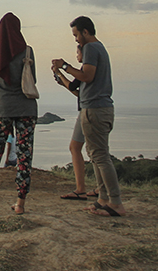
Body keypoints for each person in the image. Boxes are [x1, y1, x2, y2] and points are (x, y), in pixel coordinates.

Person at [52, 16, 126, 217]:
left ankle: (116, 203)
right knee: (96, 155)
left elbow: (87, 76)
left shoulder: (91, 48)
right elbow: (82, 85)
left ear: (85, 32)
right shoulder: (98, 48)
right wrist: (63, 77)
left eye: (76, 35)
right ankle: (102, 199)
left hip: (95, 110)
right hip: (95, 108)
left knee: (100, 156)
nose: (75, 39)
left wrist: (64, 65)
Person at [0, 13, 38, 215]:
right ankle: (20, 203)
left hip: (1, 109)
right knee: (24, 156)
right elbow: (32, 79)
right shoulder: (27, 51)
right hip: (26, 109)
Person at [53, 44, 97, 200]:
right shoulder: (87, 71)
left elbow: (72, 84)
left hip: (87, 111)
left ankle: (80, 189)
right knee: (94, 149)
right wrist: (62, 81)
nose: (77, 55)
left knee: (76, 147)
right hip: (89, 108)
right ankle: (99, 187)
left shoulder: (84, 71)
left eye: (77, 53)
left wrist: (61, 70)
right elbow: (78, 92)